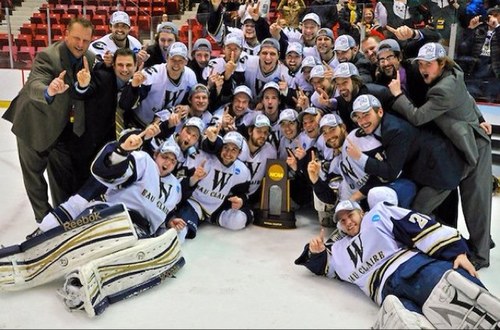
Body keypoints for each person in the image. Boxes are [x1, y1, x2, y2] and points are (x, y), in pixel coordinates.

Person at [295, 188, 500, 329]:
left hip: (411, 269)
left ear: (361, 212)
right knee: (404, 317)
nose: (347, 222)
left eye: (351, 215)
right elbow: (325, 267)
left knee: (452, 285)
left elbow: (419, 226)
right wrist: (317, 251)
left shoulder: (377, 216)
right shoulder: (338, 249)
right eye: (342, 220)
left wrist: (457, 251)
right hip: (386, 293)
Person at [389, 42, 494, 270]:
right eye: (421, 64)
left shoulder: (442, 90)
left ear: (441, 63)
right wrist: (480, 117)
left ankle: (481, 255)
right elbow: (468, 98)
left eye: (428, 64)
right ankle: (478, 243)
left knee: (476, 204)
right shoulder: (454, 73)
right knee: (473, 204)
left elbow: (418, 117)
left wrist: (397, 95)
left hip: (473, 147)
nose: (423, 69)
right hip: (460, 145)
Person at [2, 17, 95, 223]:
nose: (81, 45)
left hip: (62, 127)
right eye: (76, 38)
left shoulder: (90, 57)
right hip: (33, 122)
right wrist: (49, 90)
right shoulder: (48, 56)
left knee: (62, 173)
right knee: (34, 176)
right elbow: (35, 83)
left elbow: (85, 91)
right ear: (65, 34)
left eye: (86, 40)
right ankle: (44, 222)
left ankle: (64, 217)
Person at [175, 130, 252, 239]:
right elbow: (178, 186)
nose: (228, 153)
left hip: (217, 209)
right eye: (226, 148)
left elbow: (242, 193)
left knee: (238, 220)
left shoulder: (242, 171)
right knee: (183, 226)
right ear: (221, 147)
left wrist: (241, 201)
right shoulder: (203, 158)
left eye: (234, 150)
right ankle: (173, 241)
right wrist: (194, 178)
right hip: (195, 203)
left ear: (239, 153)